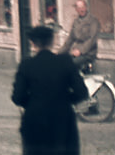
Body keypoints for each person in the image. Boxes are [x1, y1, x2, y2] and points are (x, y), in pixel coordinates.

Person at [11, 25, 88, 155]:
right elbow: (82, 92)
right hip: (63, 120)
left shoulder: (27, 65)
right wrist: (65, 99)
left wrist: (32, 103)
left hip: (35, 120)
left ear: (33, 43)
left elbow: (17, 97)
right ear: (52, 42)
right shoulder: (65, 62)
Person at [58, 0, 100, 70]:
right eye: (79, 8)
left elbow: (92, 39)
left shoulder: (93, 21)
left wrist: (80, 50)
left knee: (70, 64)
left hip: (88, 53)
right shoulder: (76, 22)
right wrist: (59, 53)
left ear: (86, 7)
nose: (81, 10)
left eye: (83, 7)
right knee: (61, 62)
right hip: (75, 52)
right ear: (76, 9)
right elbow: (70, 39)